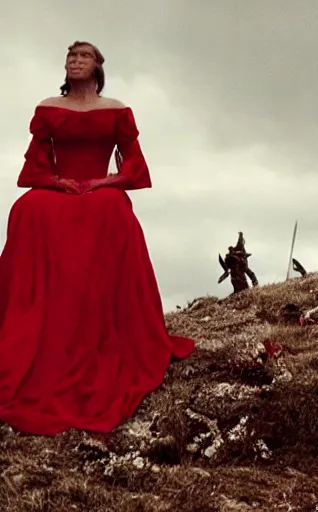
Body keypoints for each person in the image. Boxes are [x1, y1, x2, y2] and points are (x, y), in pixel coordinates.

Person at [0, 41, 194, 435]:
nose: (75, 61)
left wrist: (104, 181)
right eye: (71, 56)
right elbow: (35, 162)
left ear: (98, 66)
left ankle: (111, 315)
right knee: (28, 208)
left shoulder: (116, 110)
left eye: (83, 56)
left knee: (112, 206)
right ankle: (30, 313)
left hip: (100, 188)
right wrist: (56, 182)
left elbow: (135, 165)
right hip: (61, 189)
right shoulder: (49, 106)